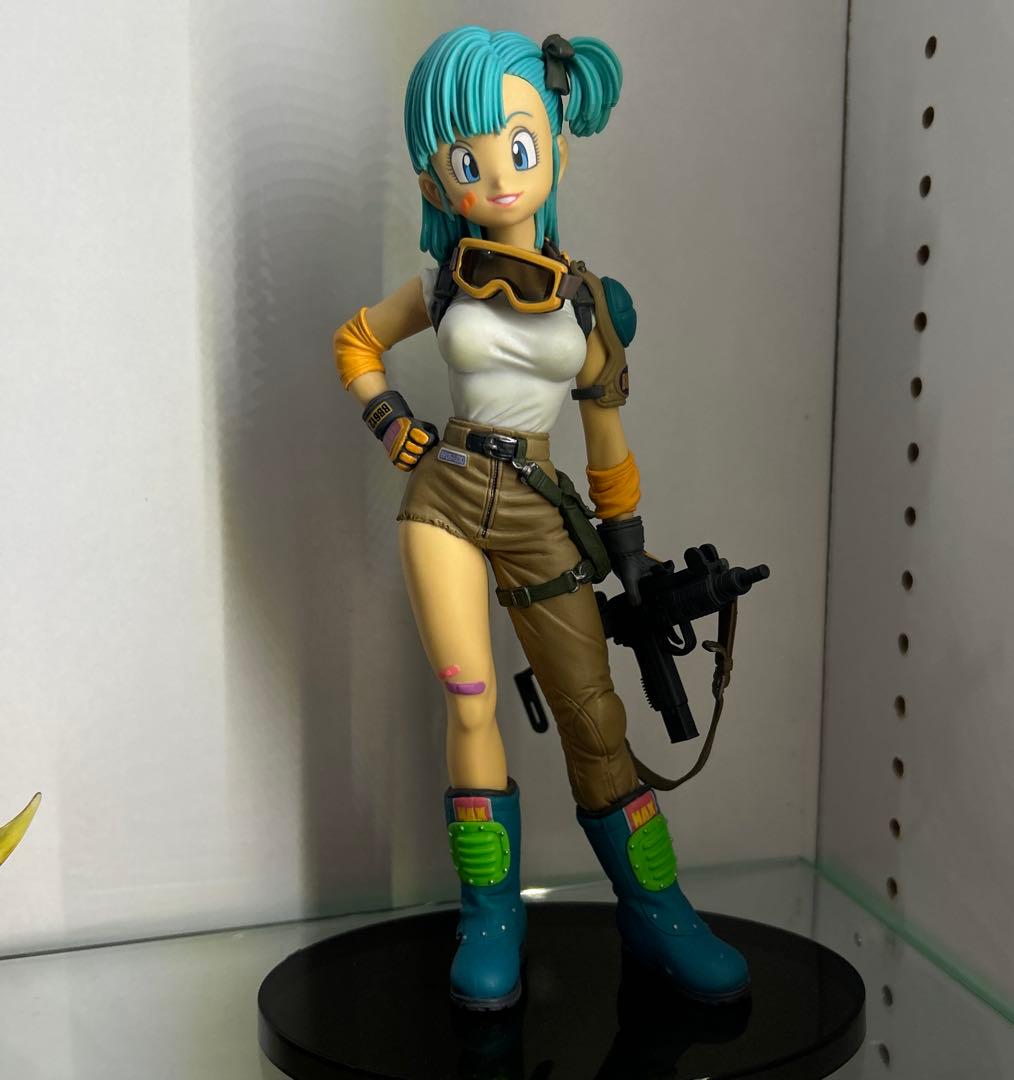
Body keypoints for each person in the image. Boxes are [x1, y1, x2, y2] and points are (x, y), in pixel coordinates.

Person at [333, 25, 750, 1011]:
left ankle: (657, 909)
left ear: (556, 145)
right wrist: (392, 422)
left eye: (517, 147)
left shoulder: (592, 306)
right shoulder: (444, 280)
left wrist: (630, 550)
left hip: (541, 511)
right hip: (445, 497)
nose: (496, 176)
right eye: (465, 159)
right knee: (471, 696)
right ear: (436, 180)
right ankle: (492, 915)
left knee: (593, 716)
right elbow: (355, 341)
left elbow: (607, 443)